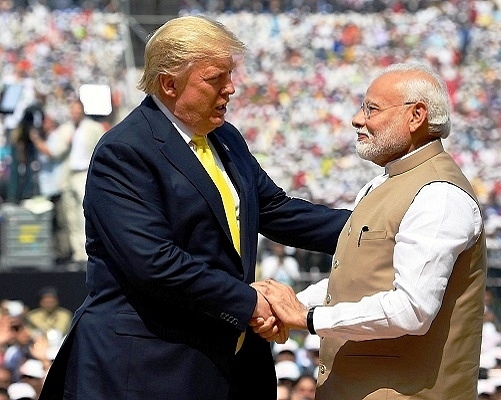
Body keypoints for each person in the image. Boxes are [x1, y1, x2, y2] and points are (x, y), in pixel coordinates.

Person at [38, 15, 349, 400]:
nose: (231, 89)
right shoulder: (125, 151)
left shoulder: (225, 137)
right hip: (149, 368)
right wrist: (250, 302)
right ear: (170, 84)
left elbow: (276, 210)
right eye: (216, 78)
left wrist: (373, 230)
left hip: (224, 363)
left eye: (230, 75)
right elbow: (155, 262)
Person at [253, 61, 487, 399]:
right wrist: (284, 307)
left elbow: (411, 310)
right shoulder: (384, 183)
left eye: (371, 109)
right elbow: (358, 280)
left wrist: (307, 317)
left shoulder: (439, 194)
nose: (357, 119)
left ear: (416, 115)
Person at [60, 98, 105, 266]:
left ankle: (87, 252)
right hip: (69, 174)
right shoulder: (66, 129)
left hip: (84, 173)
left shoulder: (93, 128)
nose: (75, 114)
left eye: (77, 110)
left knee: (82, 214)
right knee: (70, 215)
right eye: (72, 111)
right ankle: (77, 252)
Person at [28, 113, 73, 264]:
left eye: (45, 121)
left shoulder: (54, 137)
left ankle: (65, 252)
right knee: (49, 223)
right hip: (45, 188)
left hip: (56, 187)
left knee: (61, 222)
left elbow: (51, 153)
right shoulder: (45, 138)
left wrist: (35, 139)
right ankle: (54, 251)